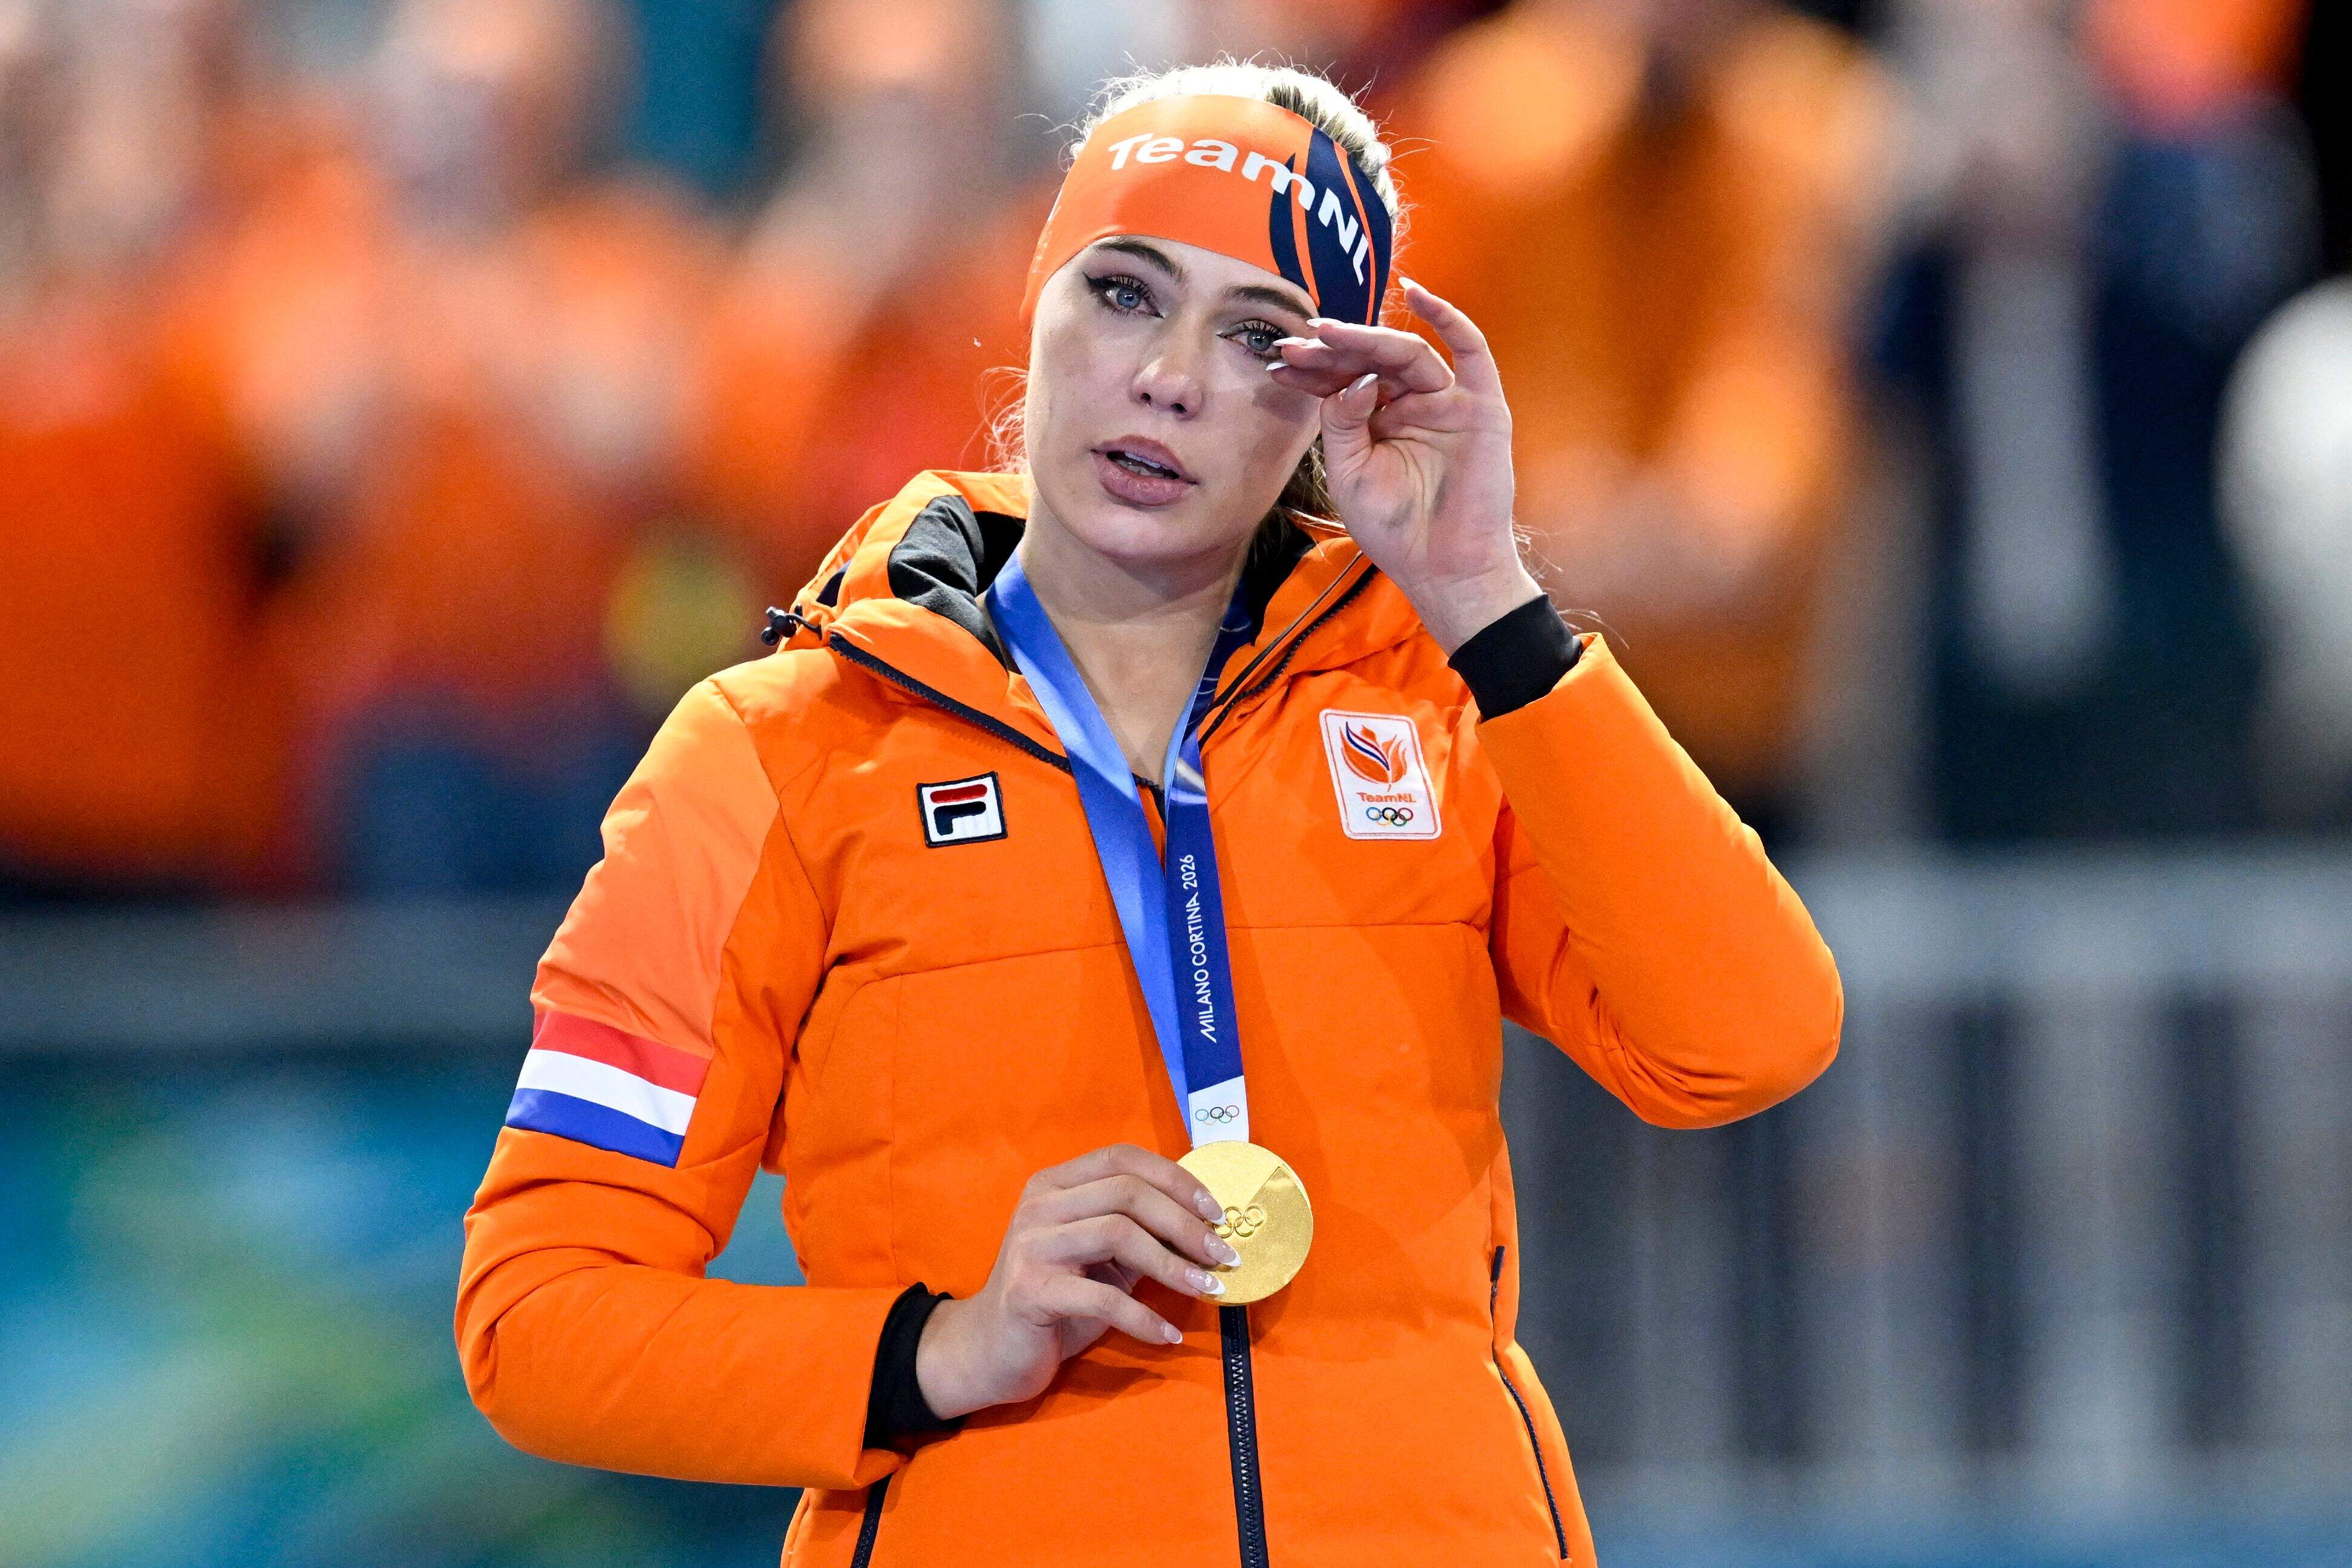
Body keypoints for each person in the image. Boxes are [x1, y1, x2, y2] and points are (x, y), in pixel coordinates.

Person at [454, 59, 1843, 1567]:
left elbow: (1749, 1038)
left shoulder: (1441, 713)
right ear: (1035, 304)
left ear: (1334, 397)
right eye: (1124, 293)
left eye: (1258, 335)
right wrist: (933, 1351)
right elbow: (539, 1311)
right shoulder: (774, 758)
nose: (1172, 376)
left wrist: (1487, 600)